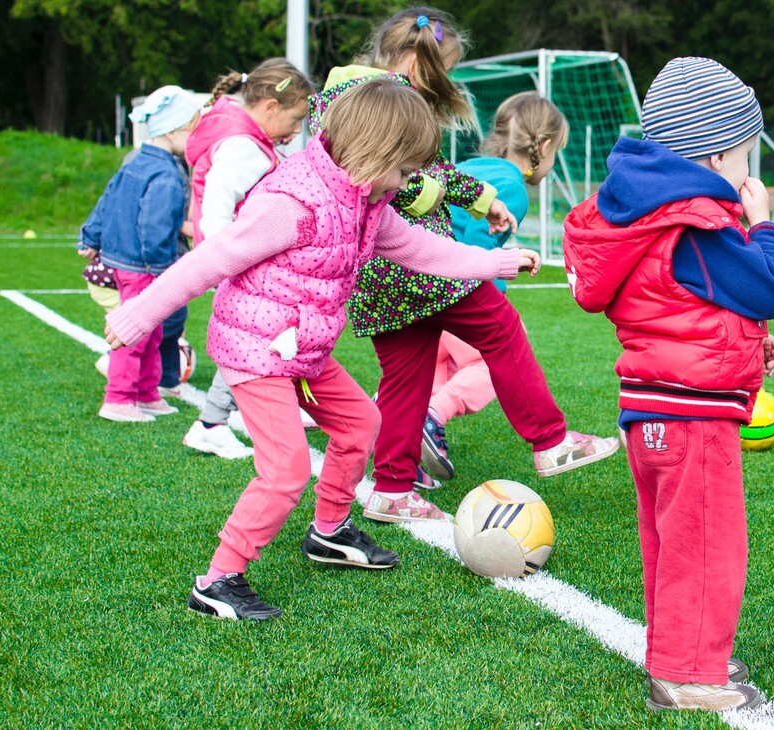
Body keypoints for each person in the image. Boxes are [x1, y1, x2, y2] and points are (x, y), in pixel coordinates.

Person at [103, 78, 540, 621]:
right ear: (374, 153)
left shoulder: (367, 200)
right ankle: (217, 581)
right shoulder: (293, 202)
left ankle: (329, 532)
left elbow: (419, 249)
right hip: (256, 350)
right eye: (405, 171)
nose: (409, 184)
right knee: (285, 469)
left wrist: (497, 262)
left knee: (362, 424)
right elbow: (211, 260)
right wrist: (139, 314)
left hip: (303, 351)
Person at [309, 6, 618, 526]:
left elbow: (429, 169)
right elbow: (397, 181)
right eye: (441, 70)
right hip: (417, 264)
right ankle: (550, 440)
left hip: (377, 274)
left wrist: (482, 201)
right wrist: (441, 200)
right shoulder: (378, 99)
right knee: (500, 328)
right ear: (413, 59)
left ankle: (391, 488)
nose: (443, 82)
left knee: (407, 376)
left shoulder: (345, 94)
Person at [563, 57, 774, 712]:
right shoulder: (696, 222)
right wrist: (765, 225)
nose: (750, 172)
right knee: (706, 546)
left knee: (672, 544)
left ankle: (682, 652)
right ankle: (688, 676)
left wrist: (748, 347)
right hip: (691, 418)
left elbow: (680, 307)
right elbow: (768, 285)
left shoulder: (649, 215)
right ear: (717, 153)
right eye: (747, 155)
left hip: (654, 409)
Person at [421, 91, 570, 481]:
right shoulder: (513, 189)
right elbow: (474, 247)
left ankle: (394, 427)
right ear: (544, 146)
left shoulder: (472, 166)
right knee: (493, 360)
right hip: (450, 288)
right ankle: (433, 416)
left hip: (416, 286)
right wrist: (495, 296)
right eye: (557, 153)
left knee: (428, 370)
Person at [179, 58, 316, 460]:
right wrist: (230, 258)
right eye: (295, 120)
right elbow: (217, 210)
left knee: (261, 337)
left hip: (241, 261)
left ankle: (227, 416)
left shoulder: (246, 138)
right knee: (254, 340)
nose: (295, 133)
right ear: (270, 108)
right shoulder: (243, 148)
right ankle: (211, 423)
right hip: (241, 263)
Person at [78, 85, 201, 423]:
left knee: (153, 330)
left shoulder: (137, 160)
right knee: (135, 331)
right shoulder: (165, 173)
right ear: (175, 130)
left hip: (128, 260)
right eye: (193, 129)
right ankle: (118, 398)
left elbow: (107, 198)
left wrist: (90, 234)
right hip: (144, 265)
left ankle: (147, 393)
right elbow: (154, 224)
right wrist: (163, 269)